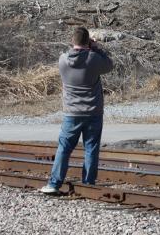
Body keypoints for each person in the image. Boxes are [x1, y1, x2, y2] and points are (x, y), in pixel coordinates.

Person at [40, 26, 113, 194]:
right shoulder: (94, 58)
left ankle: (54, 184)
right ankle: (88, 184)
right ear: (88, 42)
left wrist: (86, 47)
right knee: (91, 148)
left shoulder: (63, 60)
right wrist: (97, 48)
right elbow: (110, 65)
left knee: (64, 148)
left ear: (72, 41)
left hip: (72, 112)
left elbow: (74, 51)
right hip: (93, 111)